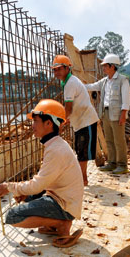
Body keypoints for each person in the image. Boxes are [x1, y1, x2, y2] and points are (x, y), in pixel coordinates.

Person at [0, 99, 84, 248]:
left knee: (12, 216)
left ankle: (61, 223)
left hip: (65, 204)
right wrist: (27, 193)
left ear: (48, 124)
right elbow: (43, 183)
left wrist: (10, 187)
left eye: (36, 121)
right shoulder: (56, 144)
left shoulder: (56, 150)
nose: (32, 125)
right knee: (28, 197)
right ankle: (54, 224)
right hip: (64, 199)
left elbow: (37, 185)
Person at [51, 55, 99, 186]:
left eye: (59, 69)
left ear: (67, 69)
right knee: (80, 151)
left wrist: (60, 123)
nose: (56, 72)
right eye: (54, 70)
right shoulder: (68, 82)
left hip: (86, 120)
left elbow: (69, 107)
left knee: (82, 152)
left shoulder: (70, 83)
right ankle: (83, 179)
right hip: (81, 121)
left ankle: (81, 180)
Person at [85, 54, 130, 174]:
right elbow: (92, 86)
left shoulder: (122, 80)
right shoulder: (105, 81)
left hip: (117, 114)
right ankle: (112, 162)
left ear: (112, 66)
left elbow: (126, 99)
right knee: (109, 140)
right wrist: (79, 86)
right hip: (106, 113)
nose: (103, 68)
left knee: (119, 140)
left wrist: (123, 114)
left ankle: (122, 165)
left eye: (105, 66)